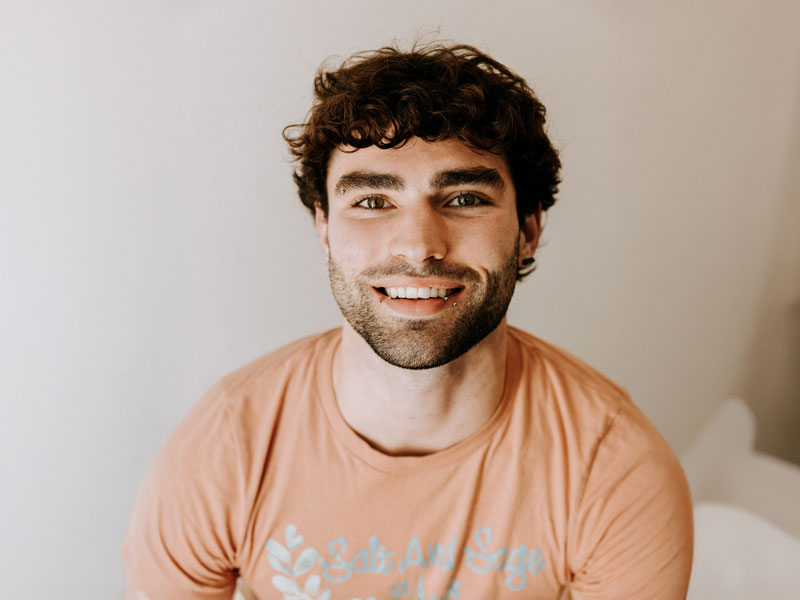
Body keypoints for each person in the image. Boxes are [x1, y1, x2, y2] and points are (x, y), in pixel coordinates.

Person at [123, 43, 693, 600]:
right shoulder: (226, 447)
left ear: (527, 230)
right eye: (372, 201)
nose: (419, 246)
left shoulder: (615, 468)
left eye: (465, 198)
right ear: (324, 225)